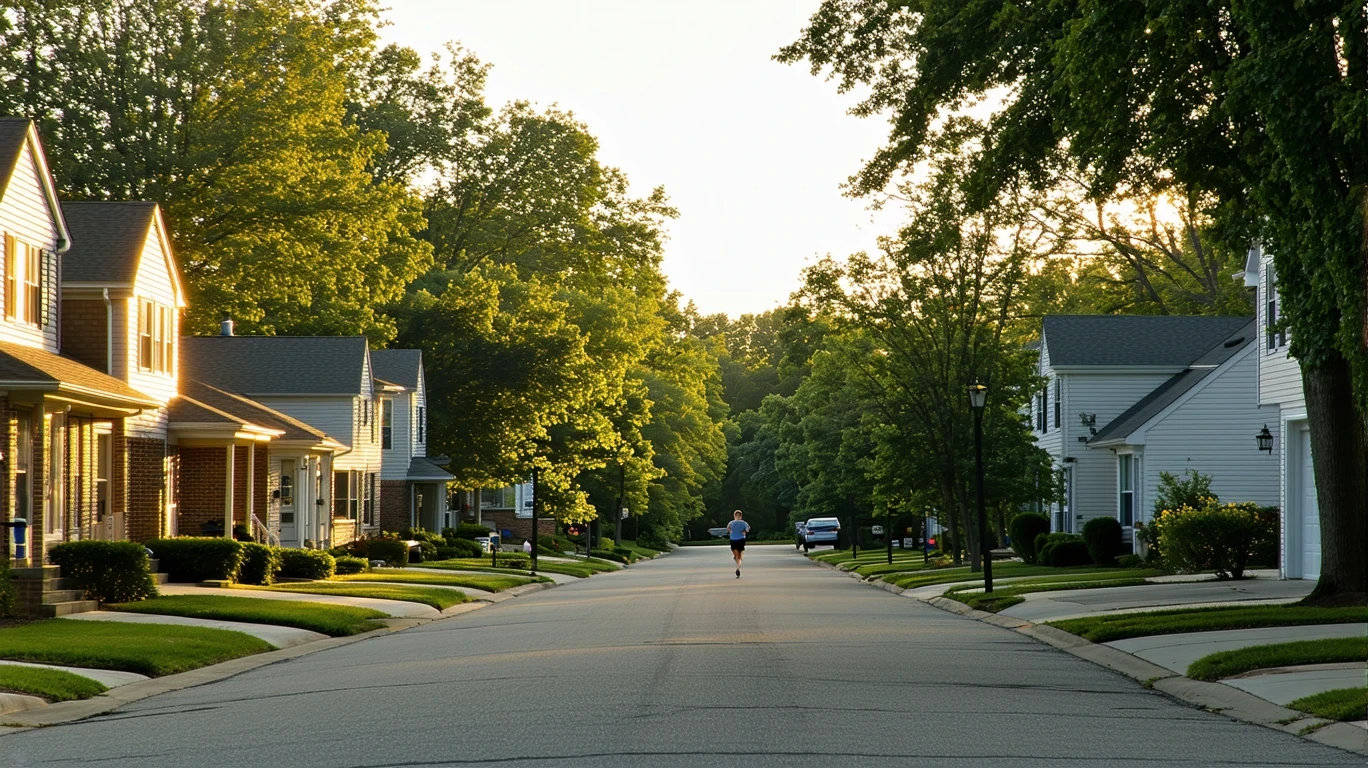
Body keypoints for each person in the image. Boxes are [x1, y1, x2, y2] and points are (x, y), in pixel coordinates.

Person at [726, 509, 750, 578]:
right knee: (740, 555)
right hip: (741, 539)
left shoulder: (731, 523)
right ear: (741, 516)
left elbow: (728, 529)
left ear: (734, 516)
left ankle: (736, 560)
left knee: (736, 555)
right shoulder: (744, 523)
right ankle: (738, 567)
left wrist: (731, 531)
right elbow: (748, 529)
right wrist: (744, 531)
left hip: (733, 540)